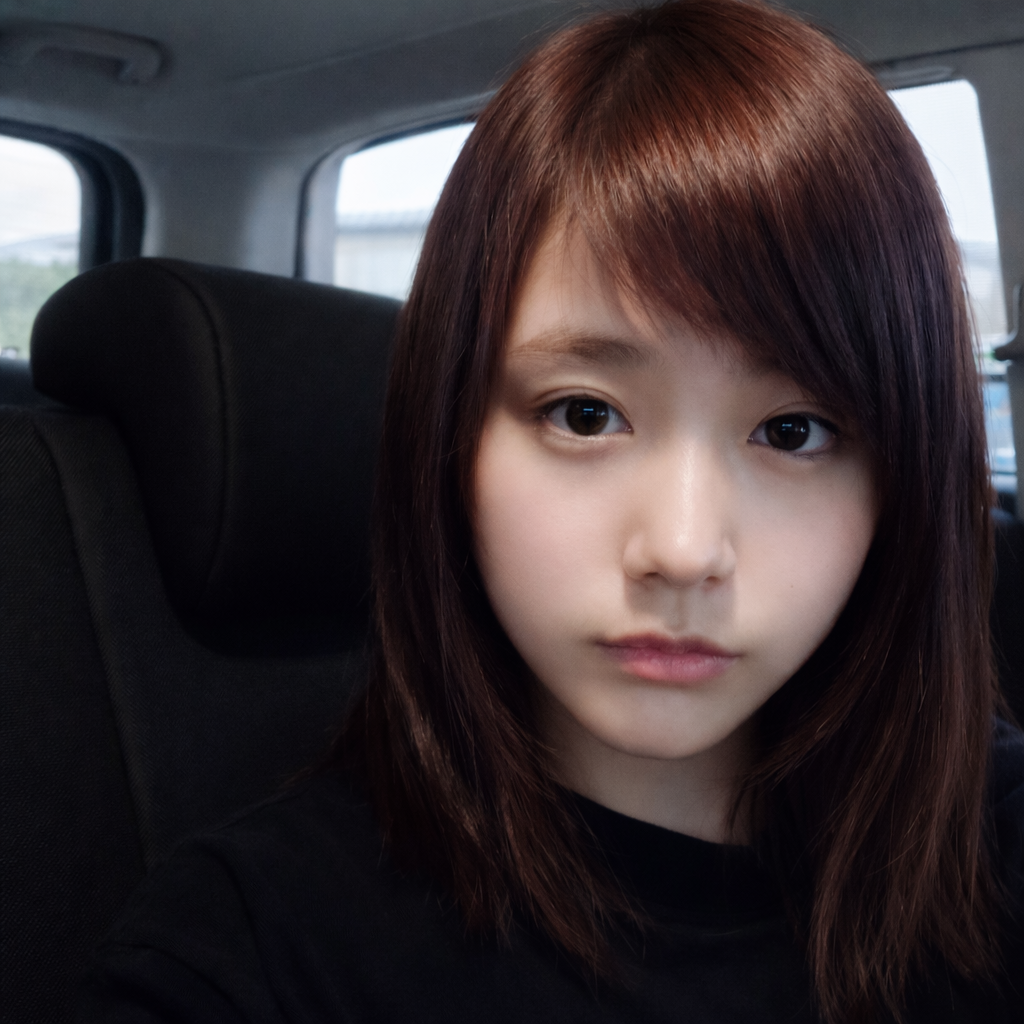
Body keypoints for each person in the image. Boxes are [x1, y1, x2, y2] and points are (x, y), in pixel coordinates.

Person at [78, 1, 1023, 1021]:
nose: (681, 550)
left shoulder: (994, 843)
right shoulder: (252, 949)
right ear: (450, 438)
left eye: (793, 432)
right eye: (585, 414)